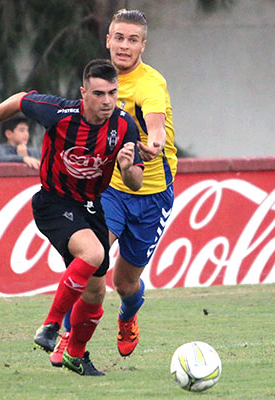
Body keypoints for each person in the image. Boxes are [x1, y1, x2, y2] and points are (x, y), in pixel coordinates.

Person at [0, 59, 144, 376]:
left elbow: (135, 182)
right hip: (53, 201)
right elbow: (18, 100)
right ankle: (50, 326)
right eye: (99, 93)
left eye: (112, 93)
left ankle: (75, 355)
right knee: (93, 253)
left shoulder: (125, 126)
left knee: (96, 293)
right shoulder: (60, 113)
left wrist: (127, 166)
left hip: (92, 206)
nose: (107, 101)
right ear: (84, 93)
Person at [49, 9, 178, 366]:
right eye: (118, 37)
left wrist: (151, 143)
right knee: (89, 260)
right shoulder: (98, 81)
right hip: (107, 190)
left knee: (124, 283)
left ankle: (128, 315)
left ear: (143, 46)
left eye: (132, 39)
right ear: (107, 40)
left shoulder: (151, 84)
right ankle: (65, 334)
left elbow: (154, 123)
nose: (124, 46)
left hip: (151, 194)